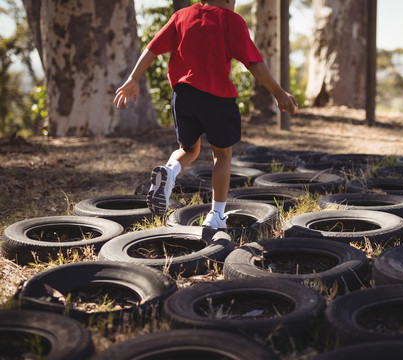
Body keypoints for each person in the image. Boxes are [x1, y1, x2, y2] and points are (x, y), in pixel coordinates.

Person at [113, 0, 297, 229]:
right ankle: (216, 215)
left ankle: (169, 171)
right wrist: (278, 93)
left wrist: (133, 78)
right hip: (216, 96)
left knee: (188, 149)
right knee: (222, 156)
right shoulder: (230, 20)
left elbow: (152, 48)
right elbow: (254, 62)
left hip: (183, 94)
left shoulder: (182, 16)